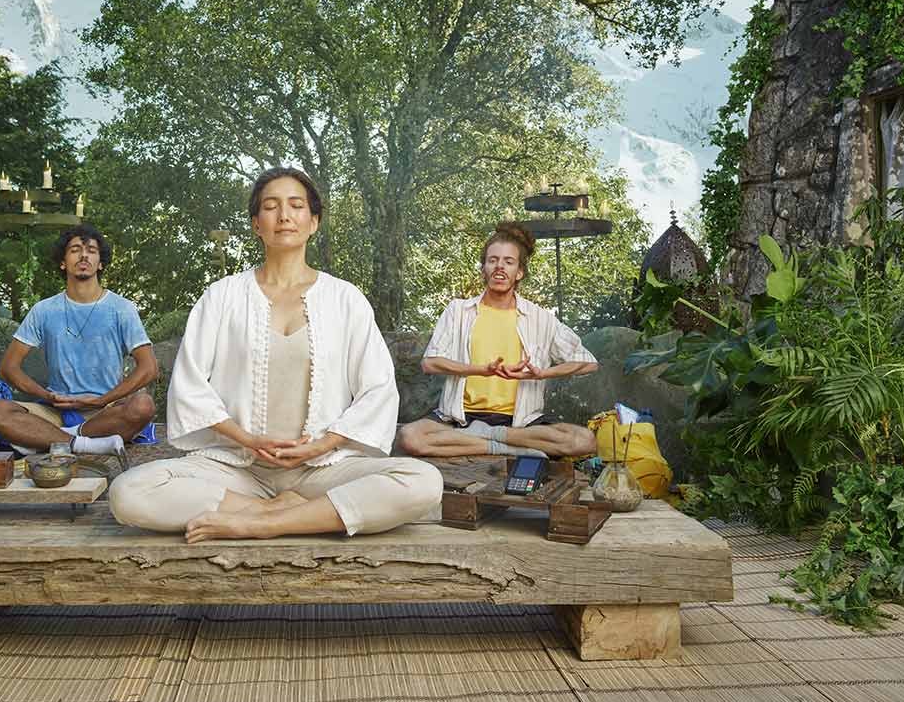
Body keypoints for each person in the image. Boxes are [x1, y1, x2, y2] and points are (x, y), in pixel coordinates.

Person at [108, 168, 442, 543]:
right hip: (238, 467)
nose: (284, 215)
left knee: (423, 482)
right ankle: (279, 511)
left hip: (321, 468)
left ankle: (261, 523)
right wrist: (249, 440)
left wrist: (323, 444)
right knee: (128, 492)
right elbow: (190, 385)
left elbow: (378, 389)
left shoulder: (345, 299)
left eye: (296, 205)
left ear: (313, 222)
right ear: (256, 224)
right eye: (271, 206)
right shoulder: (222, 296)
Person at [397, 223, 599, 460]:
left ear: (519, 272)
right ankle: (497, 446)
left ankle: (494, 436)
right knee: (409, 437)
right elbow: (430, 363)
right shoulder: (458, 311)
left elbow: (588, 363)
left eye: (508, 262)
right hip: (459, 419)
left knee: (584, 440)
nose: (499, 267)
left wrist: (542, 374)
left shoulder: (540, 318)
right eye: (492, 260)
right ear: (484, 268)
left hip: (521, 424)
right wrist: (479, 370)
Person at [0, 222, 157, 458]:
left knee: (143, 406)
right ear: (63, 262)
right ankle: (84, 443)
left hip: (106, 411)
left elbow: (149, 368)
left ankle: (52, 438)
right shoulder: (44, 310)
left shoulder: (121, 309)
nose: (84, 255)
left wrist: (102, 400)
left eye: (92, 251)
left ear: (100, 262)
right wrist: (47, 396)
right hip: (55, 411)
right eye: (75, 250)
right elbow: (9, 368)